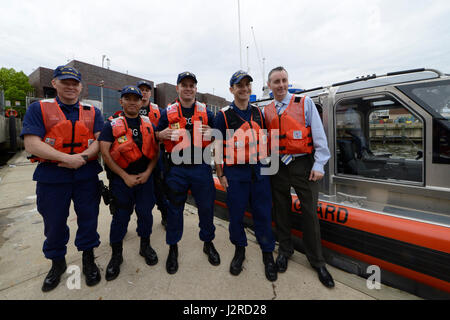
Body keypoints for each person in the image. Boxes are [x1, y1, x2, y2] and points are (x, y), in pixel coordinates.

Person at [21, 65, 103, 292]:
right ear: (54, 83)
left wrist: (82, 157)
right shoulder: (39, 108)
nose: (70, 86)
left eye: (74, 83)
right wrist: (65, 159)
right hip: (52, 175)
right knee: (54, 222)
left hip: (86, 174)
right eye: (65, 82)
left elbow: (100, 140)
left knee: (89, 219)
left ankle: (88, 259)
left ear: (81, 87)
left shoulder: (93, 112)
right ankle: (57, 263)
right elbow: (31, 142)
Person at [264, 66, 334, 288]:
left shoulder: (305, 103)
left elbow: (319, 135)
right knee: (281, 209)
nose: (281, 85)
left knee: (309, 212)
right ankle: (285, 251)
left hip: (304, 164)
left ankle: (317, 260)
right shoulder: (266, 111)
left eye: (284, 80)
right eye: (276, 81)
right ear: (270, 86)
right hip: (278, 165)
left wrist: (320, 163)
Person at [213, 70, 277, 281]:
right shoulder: (222, 116)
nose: (245, 88)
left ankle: (267, 253)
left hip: (259, 172)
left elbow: (268, 142)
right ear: (232, 89)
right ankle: (239, 250)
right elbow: (216, 148)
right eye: (239, 85)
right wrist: (221, 174)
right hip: (235, 175)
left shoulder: (259, 113)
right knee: (236, 216)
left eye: (247, 84)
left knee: (263, 215)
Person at [155, 71, 220, 274]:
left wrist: (213, 133)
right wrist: (160, 134)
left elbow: (220, 137)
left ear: (196, 89)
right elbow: (155, 135)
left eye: (192, 85)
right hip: (177, 168)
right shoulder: (167, 113)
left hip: (200, 166)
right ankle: (173, 248)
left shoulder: (207, 112)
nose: (188, 88)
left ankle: (208, 242)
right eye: (184, 85)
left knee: (206, 208)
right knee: (174, 210)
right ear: (178, 88)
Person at [98, 85, 159, 281]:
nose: (132, 101)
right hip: (121, 180)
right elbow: (105, 154)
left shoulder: (150, 124)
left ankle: (145, 246)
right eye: (128, 98)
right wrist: (124, 176)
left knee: (145, 213)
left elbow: (155, 151)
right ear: (121, 101)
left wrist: (149, 172)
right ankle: (117, 256)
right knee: (120, 217)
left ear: (142, 101)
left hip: (145, 179)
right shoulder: (111, 124)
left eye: (136, 98)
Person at [136, 80, 169, 228]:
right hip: (134, 157)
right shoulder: (128, 109)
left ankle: (165, 215)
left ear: (150, 93)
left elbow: (167, 130)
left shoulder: (159, 111)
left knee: (160, 187)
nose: (144, 92)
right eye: (141, 89)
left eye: (146, 90)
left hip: (156, 155)